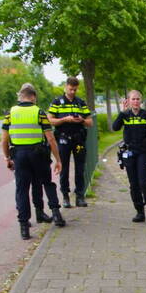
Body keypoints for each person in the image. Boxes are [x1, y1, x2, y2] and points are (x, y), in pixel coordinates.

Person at [1, 83, 64, 240]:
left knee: (22, 189)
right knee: (46, 183)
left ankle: (24, 226)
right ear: (33, 96)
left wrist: (7, 158)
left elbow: (4, 140)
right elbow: (50, 138)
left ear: (20, 96)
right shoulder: (39, 112)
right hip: (38, 153)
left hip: (19, 155)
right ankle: (56, 214)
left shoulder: (10, 114)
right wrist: (58, 159)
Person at [112, 90, 146, 225]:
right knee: (134, 185)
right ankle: (139, 211)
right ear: (128, 101)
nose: (136, 102)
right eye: (133, 99)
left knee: (144, 183)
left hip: (144, 153)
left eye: (138, 99)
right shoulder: (125, 116)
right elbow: (115, 127)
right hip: (130, 153)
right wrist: (122, 112)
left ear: (141, 101)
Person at [48, 76, 94, 208]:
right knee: (64, 168)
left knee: (80, 168)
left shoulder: (80, 102)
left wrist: (82, 120)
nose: (73, 92)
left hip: (78, 139)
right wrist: (65, 120)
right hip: (63, 139)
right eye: (71, 89)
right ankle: (65, 196)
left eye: (75, 89)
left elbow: (90, 122)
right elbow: (50, 120)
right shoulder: (57, 102)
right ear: (66, 87)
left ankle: (80, 196)